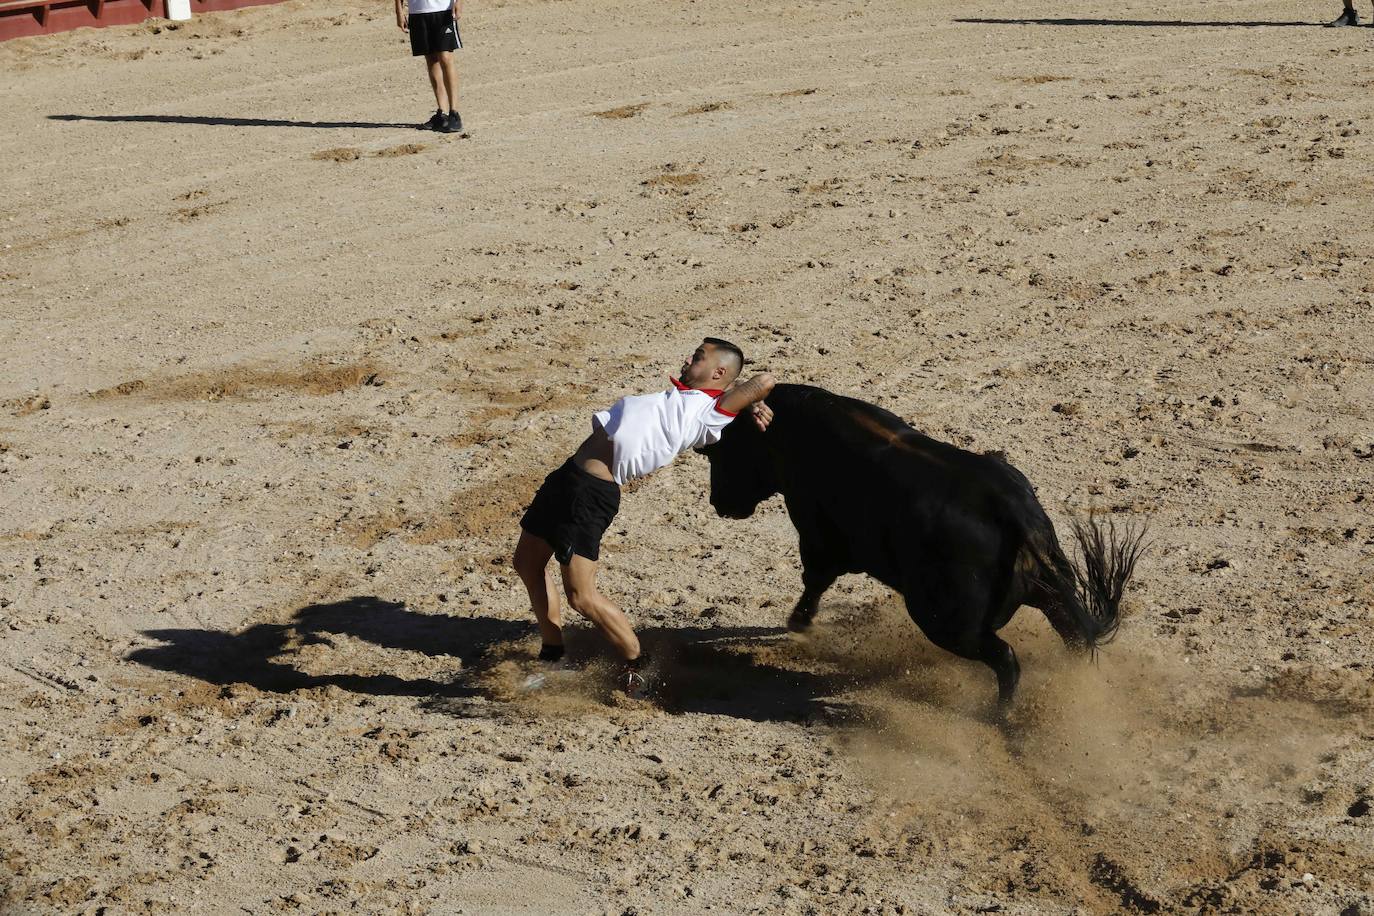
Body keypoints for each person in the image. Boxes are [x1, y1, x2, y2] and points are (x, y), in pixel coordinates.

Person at [513, 339, 775, 697]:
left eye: (698, 358)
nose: (688, 359)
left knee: (582, 597)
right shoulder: (685, 398)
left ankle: (638, 662)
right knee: (527, 562)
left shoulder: (708, 414)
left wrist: (748, 398)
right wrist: (742, 396)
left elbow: (764, 380)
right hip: (568, 477)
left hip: (589, 496)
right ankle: (553, 654)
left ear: (719, 372)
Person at [395, 0, 463, 133]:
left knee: (445, 57)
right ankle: (442, 113)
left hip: (443, 9)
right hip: (418, 12)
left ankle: (454, 113)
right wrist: (399, 11)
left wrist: (459, 2)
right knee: (431, 59)